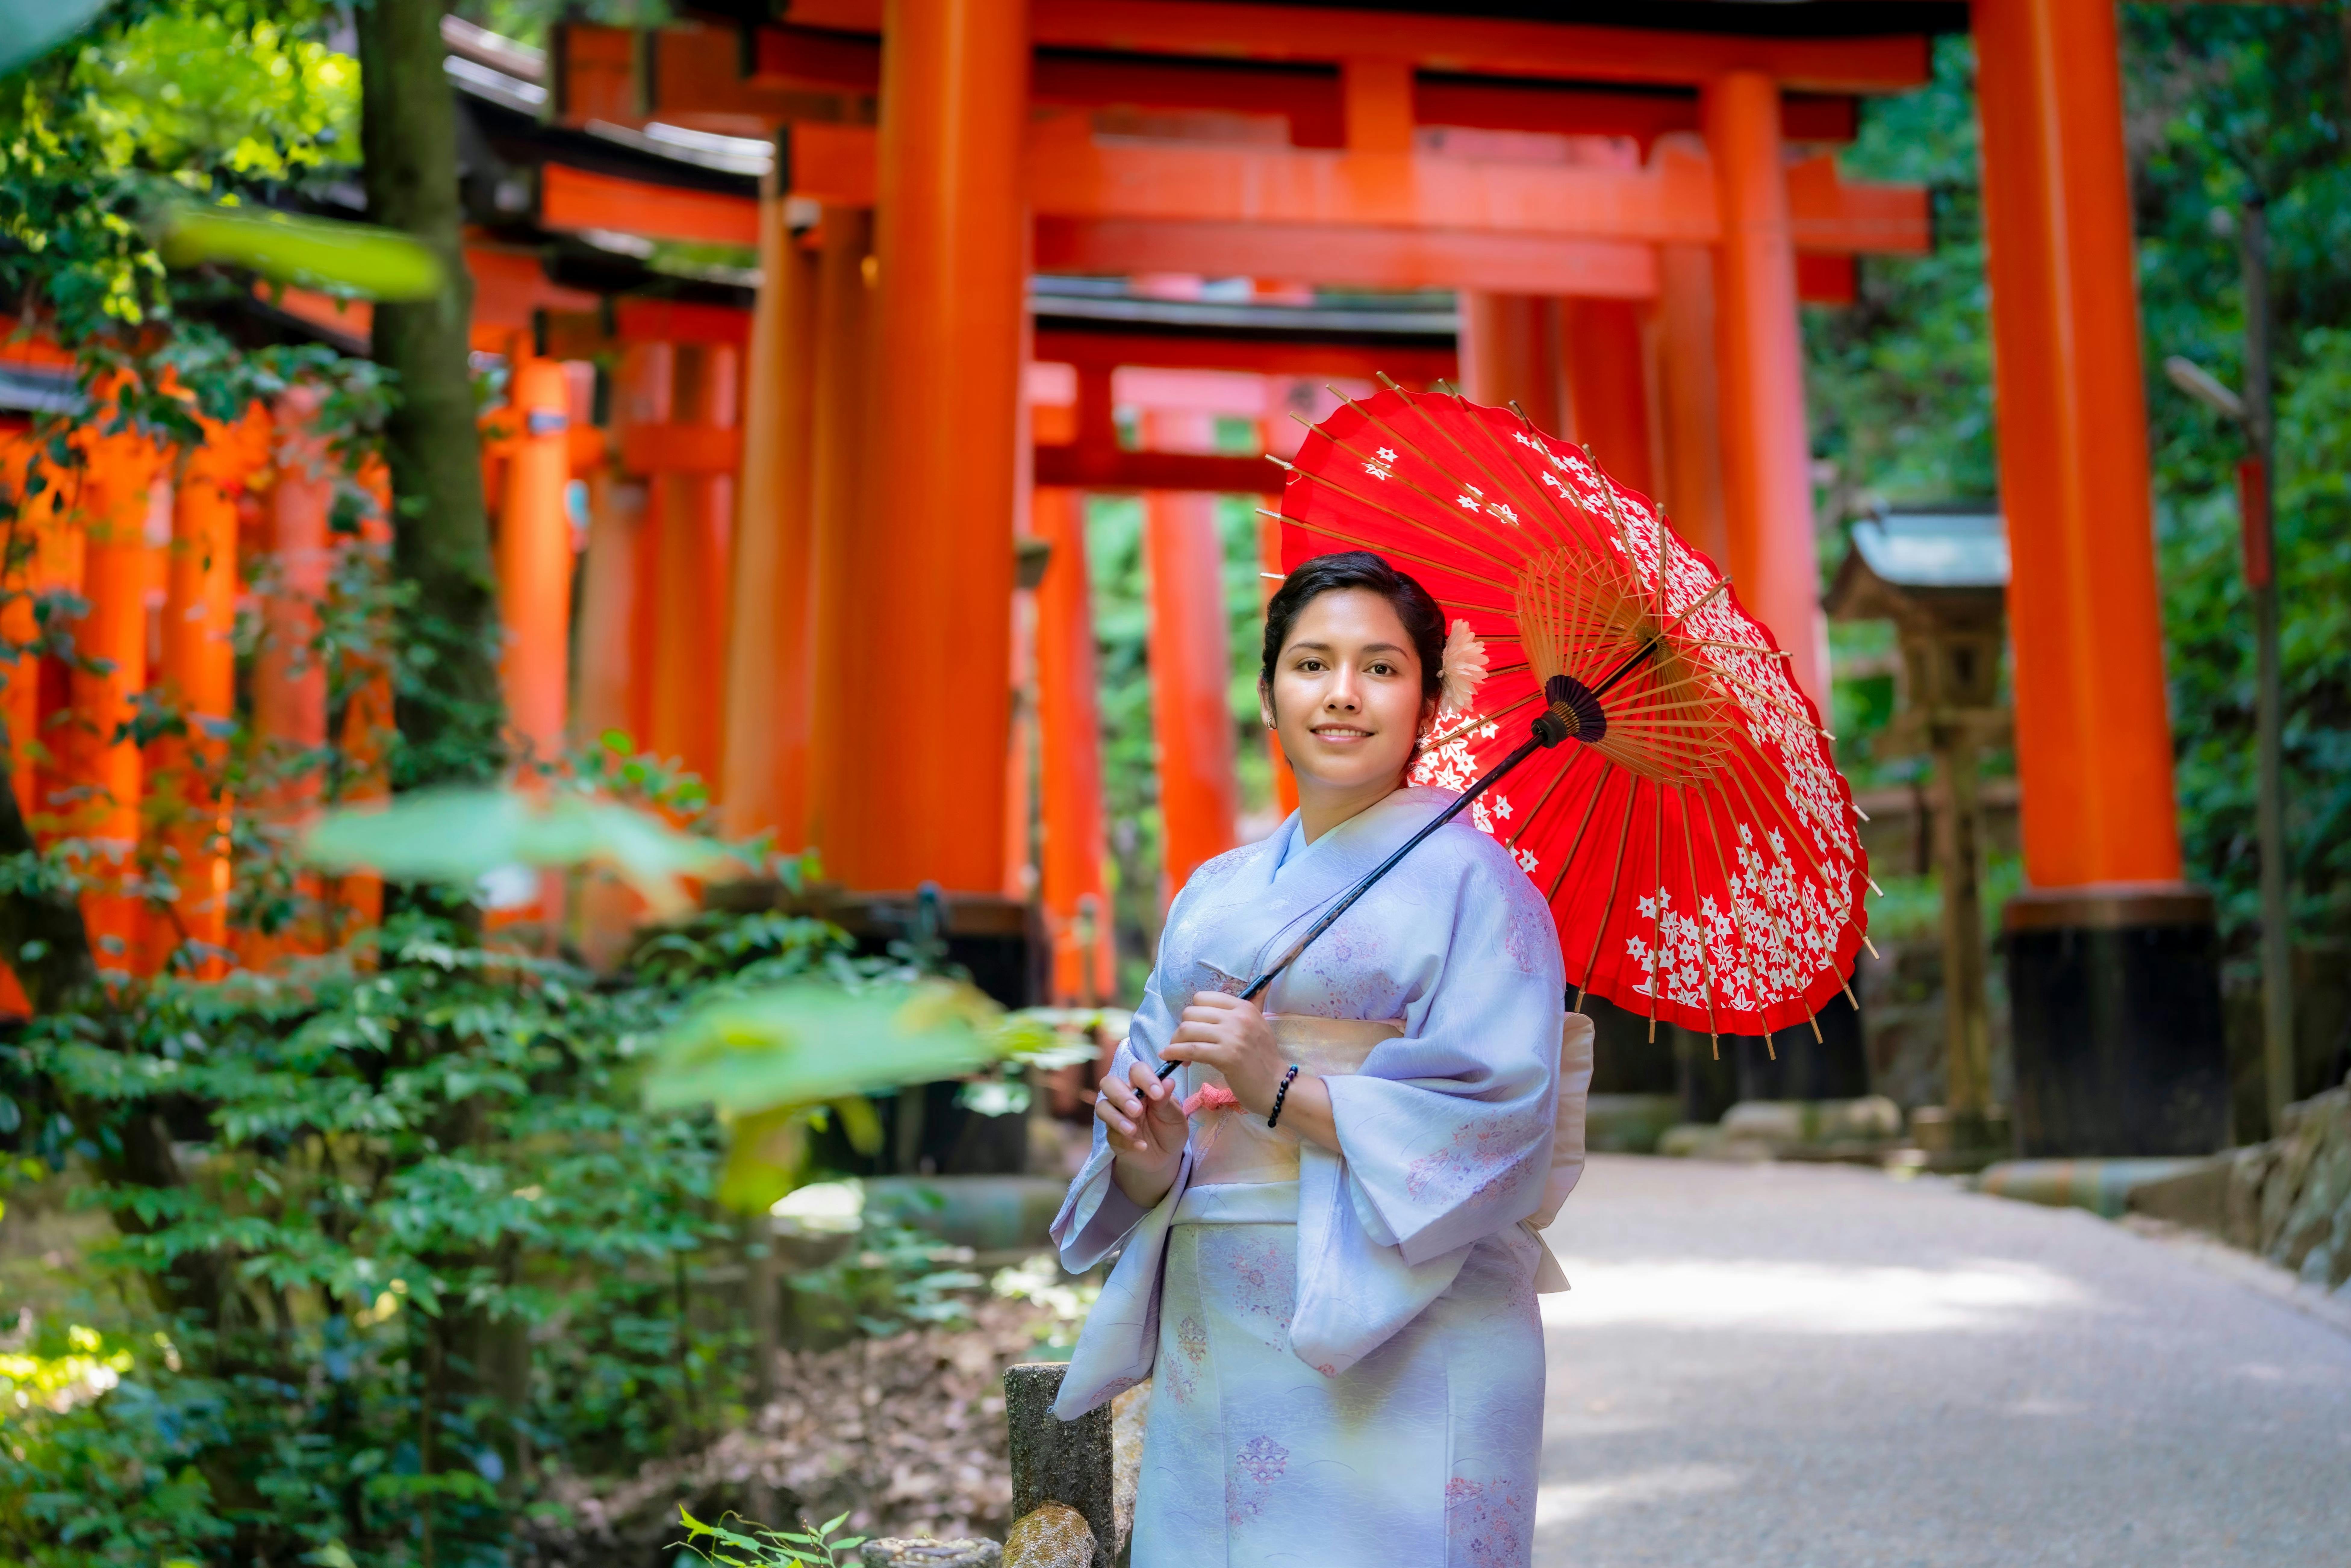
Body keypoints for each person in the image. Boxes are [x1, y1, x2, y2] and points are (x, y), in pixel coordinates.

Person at [1049, 550, 1594, 1567]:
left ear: (1430, 698)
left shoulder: (1486, 890)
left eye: (1382, 669)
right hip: (1226, 1309)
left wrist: (1281, 1086)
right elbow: (1153, 1105)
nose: (1343, 695)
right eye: (1312, 664)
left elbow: (1503, 1125)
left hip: (1419, 1315)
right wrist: (1144, 1149)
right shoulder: (1215, 891)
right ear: (1268, 692)